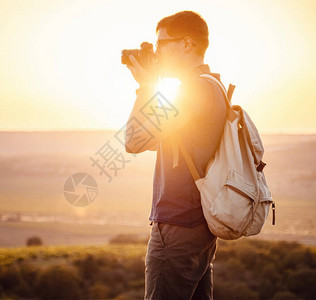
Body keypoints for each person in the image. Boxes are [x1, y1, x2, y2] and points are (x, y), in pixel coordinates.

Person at [124, 11, 227, 300]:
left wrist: (145, 87)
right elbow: (157, 141)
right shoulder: (213, 86)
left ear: (186, 43)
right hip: (197, 226)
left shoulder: (194, 92)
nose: (156, 54)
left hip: (178, 225)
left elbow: (133, 141)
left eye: (161, 44)